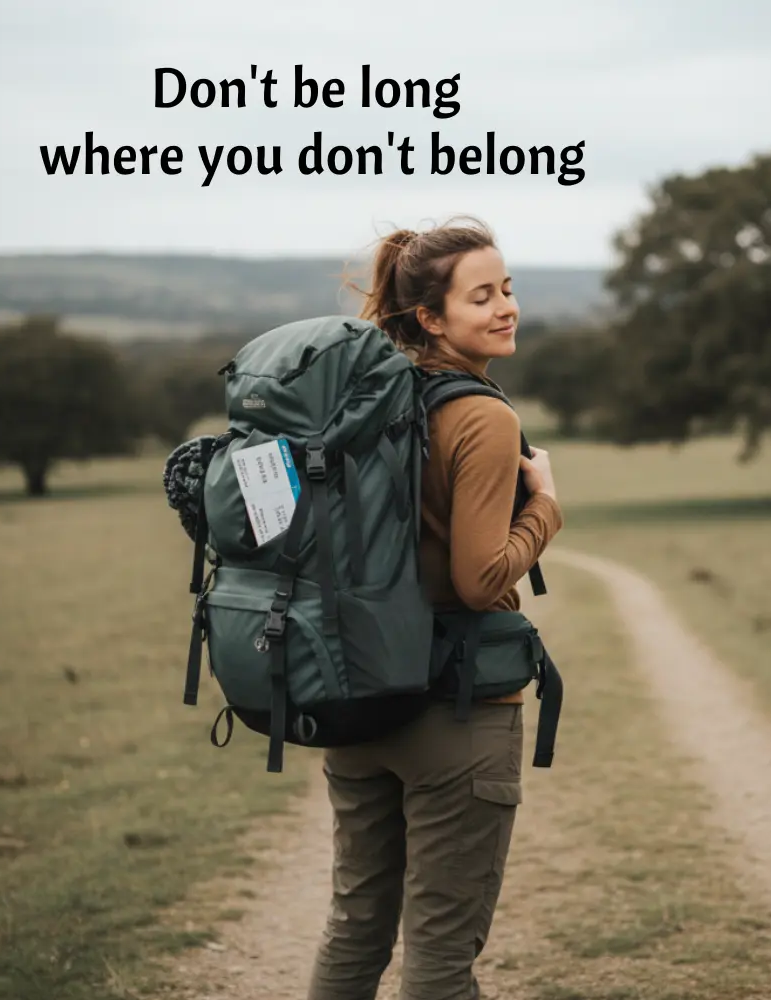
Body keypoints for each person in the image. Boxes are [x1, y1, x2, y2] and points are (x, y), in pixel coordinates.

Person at [306, 217, 563, 1000]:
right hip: (457, 713)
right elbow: (482, 580)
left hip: (356, 702)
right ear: (430, 316)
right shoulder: (484, 415)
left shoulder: (367, 396)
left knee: (355, 929)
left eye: (508, 289)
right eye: (481, 296)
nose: (505, 308)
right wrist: (546, 506)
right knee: (442, 957)